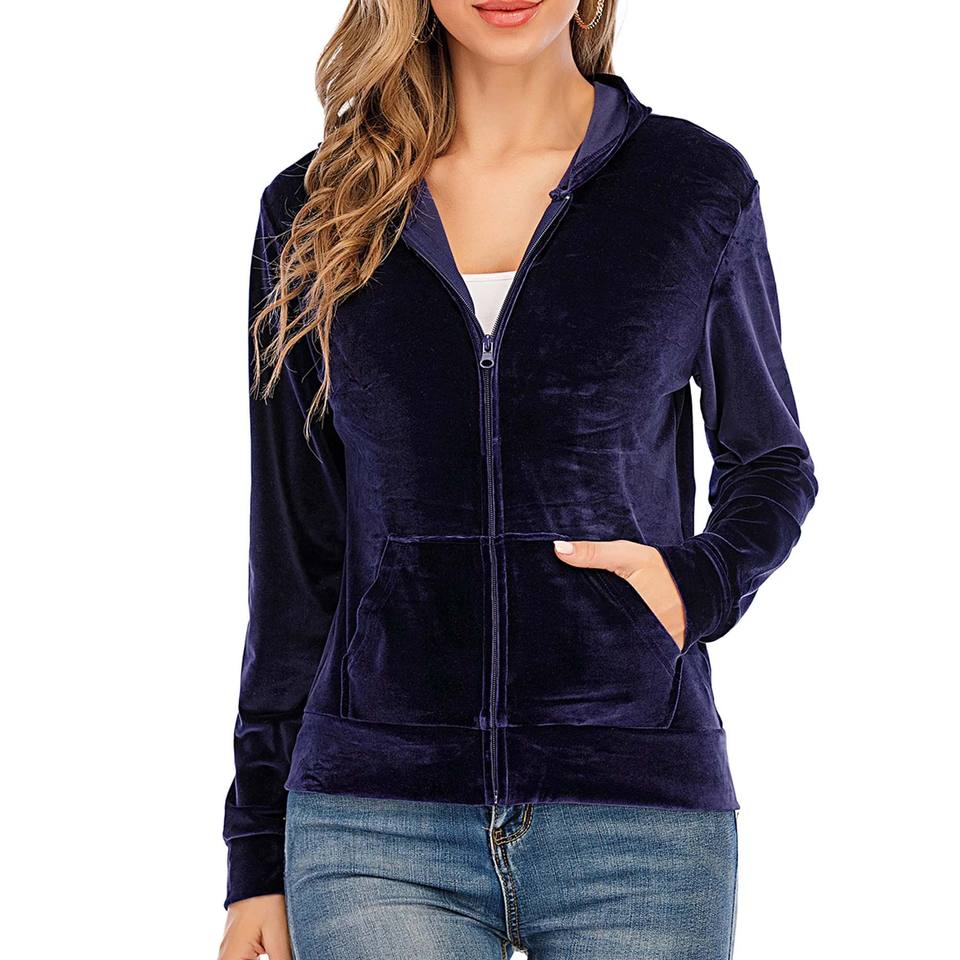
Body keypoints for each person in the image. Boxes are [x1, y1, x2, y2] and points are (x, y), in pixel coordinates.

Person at [218, 1, 818, 958]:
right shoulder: (315, 210)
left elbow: (772, 460)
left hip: (636, 817)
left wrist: (696, 584)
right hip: (375, 822)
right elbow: (294, 552)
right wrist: (256, 850)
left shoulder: (692, 188)